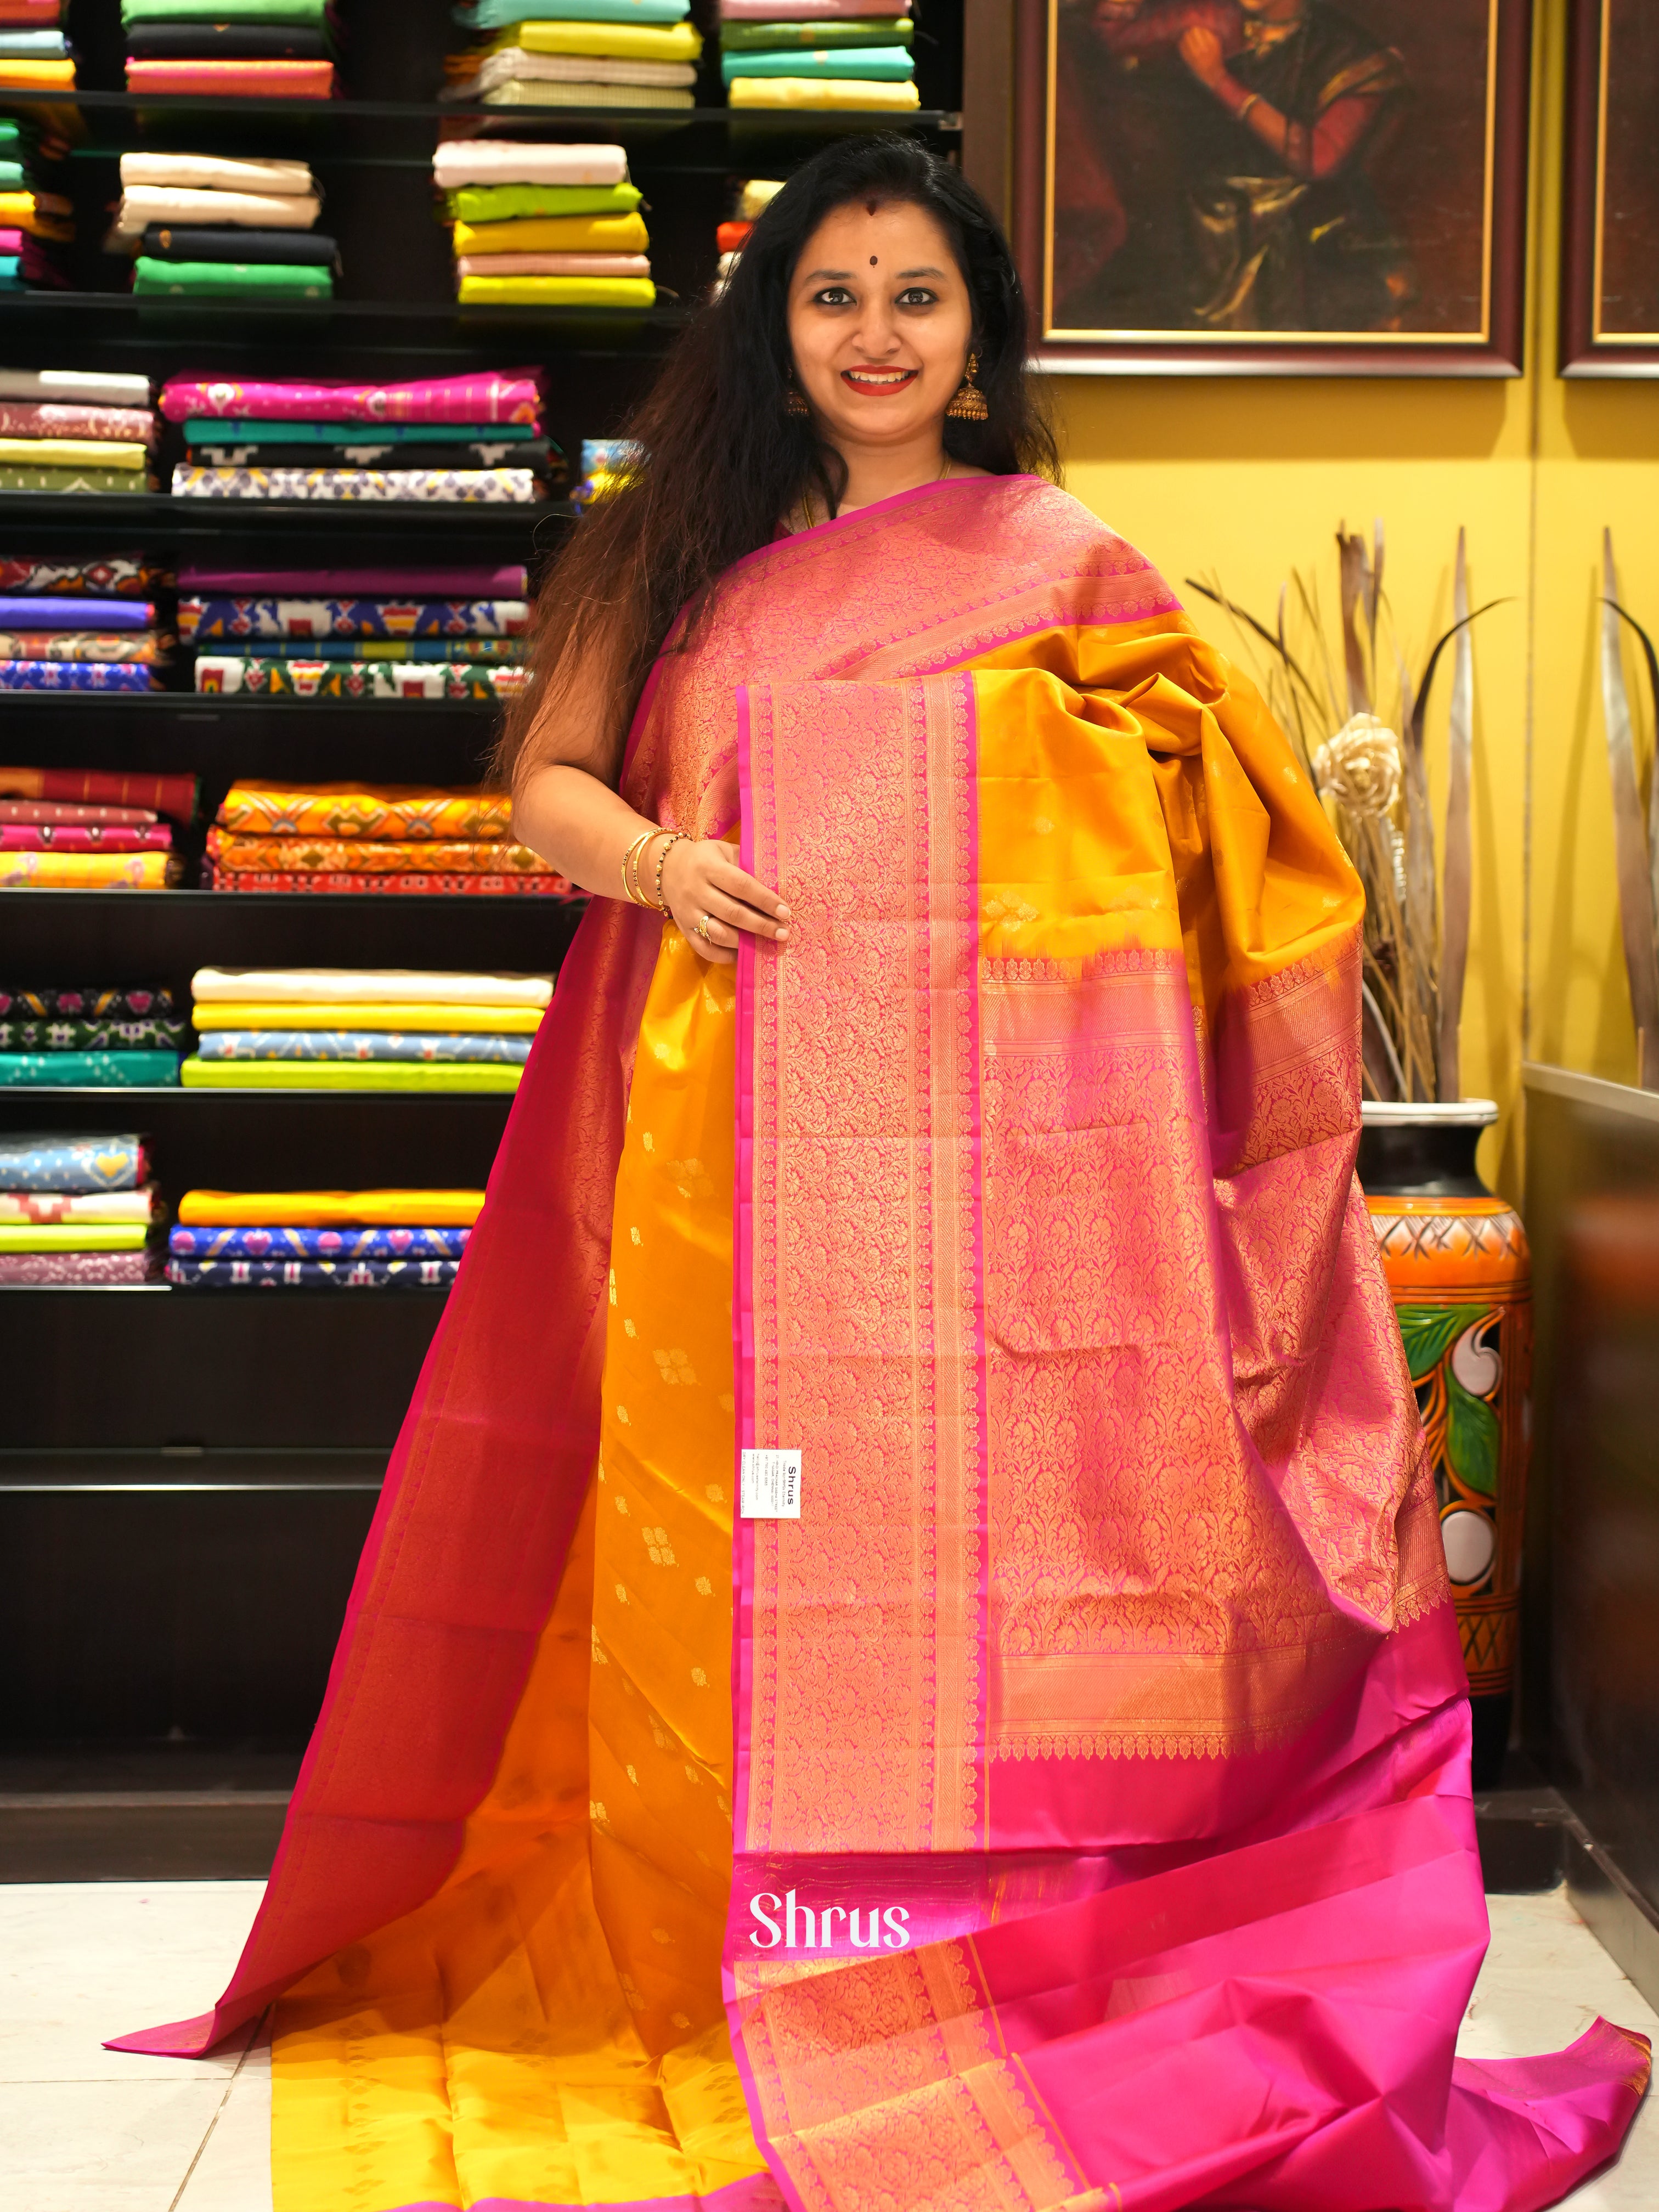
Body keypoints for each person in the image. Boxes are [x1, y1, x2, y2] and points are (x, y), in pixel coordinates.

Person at [116, 136, 1646, 2209]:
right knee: (745, 1543)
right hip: (723, 1168)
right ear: (776, 323)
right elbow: (547, 788)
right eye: (831, 292)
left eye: (911, 294)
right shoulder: (676, 550)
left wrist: (1041, 797)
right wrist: (666, 862)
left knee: (974, 1556)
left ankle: (968, 1927)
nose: (870, 332)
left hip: (1004, 1184)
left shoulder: (1063, 564)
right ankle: (732, 1921)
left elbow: (1230, 831)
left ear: (975, 333)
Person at [1074, 0, 1416, 331]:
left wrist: (1219, 81)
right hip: (1206, 231)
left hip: (1309, 236)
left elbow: (1317, 157)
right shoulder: (1212, 18)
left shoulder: (1351, 53)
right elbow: (1113, 36)